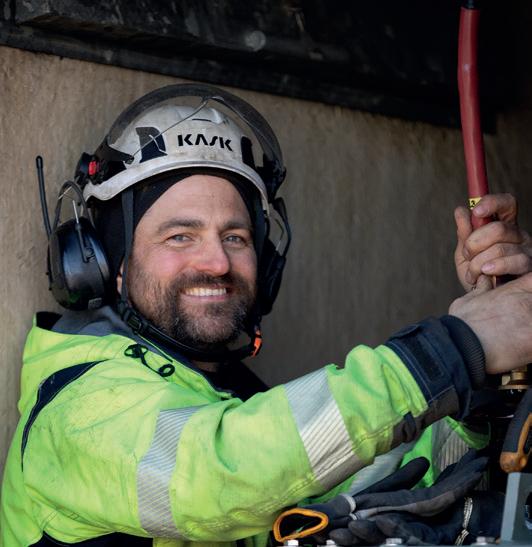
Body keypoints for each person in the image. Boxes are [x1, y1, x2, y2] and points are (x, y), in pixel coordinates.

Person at [1, 83, 532, 547]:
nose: (216, 262)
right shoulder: (78, 408)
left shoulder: (226, 400)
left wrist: (483, 381)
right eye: (180, 236)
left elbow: (381, 480)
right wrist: (454, 346)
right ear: (108, 266)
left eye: (234, 237)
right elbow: (222, 474)